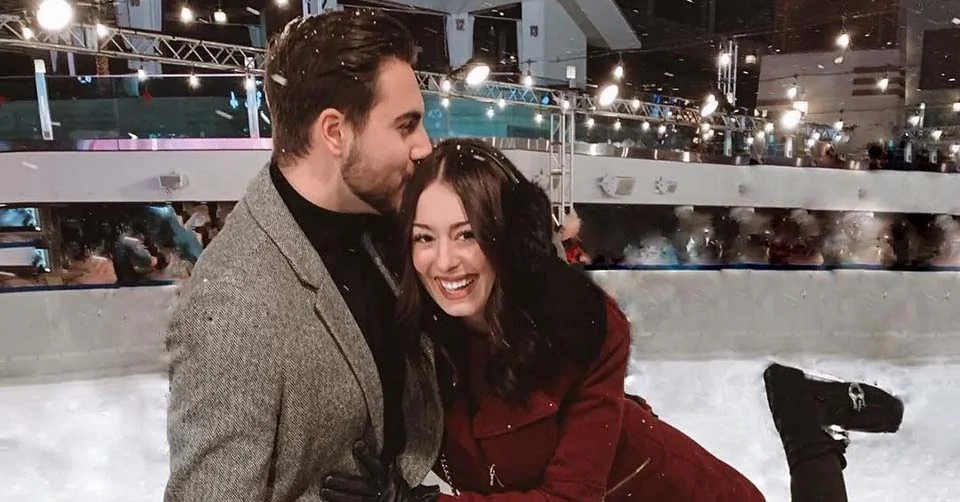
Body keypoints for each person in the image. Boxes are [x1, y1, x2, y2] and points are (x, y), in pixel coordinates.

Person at [320, 138, 904, 502]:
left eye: (467, 235)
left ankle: (802, 420)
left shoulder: (582, 328)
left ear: (510, 239)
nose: (443, 261)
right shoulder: (417, 335)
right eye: (425, 238)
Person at [164, 9, 442, 502]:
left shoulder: (385, 224)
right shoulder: (234, 305)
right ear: (335, 132)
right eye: (406, 126)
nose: (425, 146)